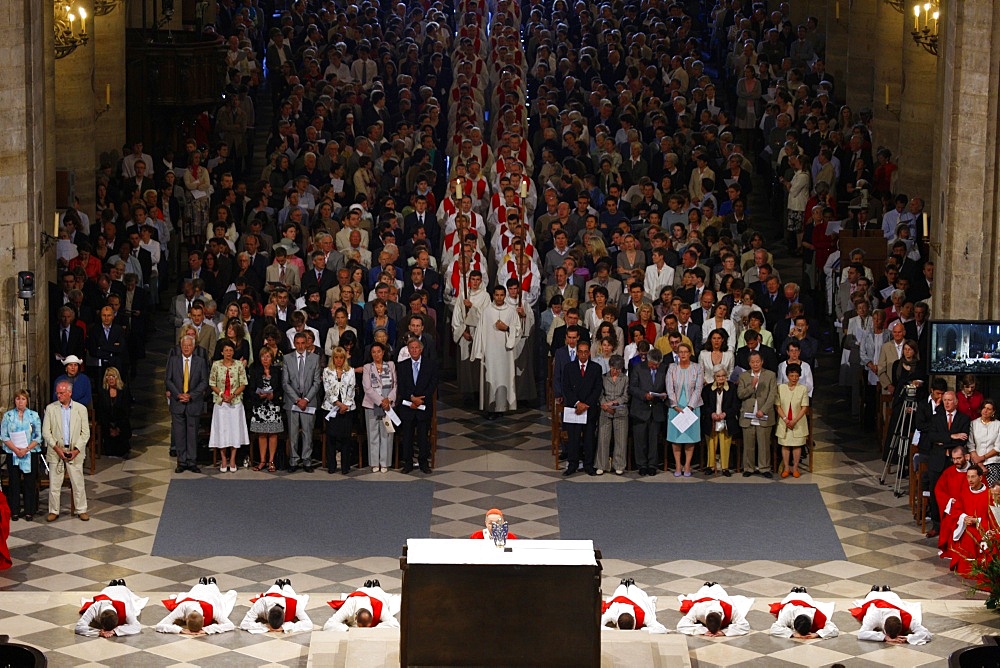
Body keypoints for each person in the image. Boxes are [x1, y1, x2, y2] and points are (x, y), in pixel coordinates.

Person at [470, 284, 521, 419]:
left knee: (504, 378)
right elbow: (480, 331)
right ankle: (491, 408)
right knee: (490, 377)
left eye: (501, 295)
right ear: (493, 295)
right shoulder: (486, 311)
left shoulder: (511, 311)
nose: (499, 298)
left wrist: (507, 328)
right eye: (497, 295)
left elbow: (518, 330)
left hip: (505, 352)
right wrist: (480, 350)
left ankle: (501, 407)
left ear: (505, 296)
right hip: (490, 352)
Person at [926, 391, 972, 538]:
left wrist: (943, 441)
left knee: (954, 495)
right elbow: (931, 437)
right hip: (937, 460)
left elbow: (962, 440)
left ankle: (952, 524)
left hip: (955, 463)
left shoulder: (964, 419)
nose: (946, 403)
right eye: (944, 400)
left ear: (956, 402)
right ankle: (937, 525)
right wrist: (952, 436)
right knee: (936, 493)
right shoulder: (936, 418)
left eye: (950, 400)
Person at [42, 380, 91, 522]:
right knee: (55, 483)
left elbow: (85, 433)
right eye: (57, 393)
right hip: (56, 450)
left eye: (62, 393)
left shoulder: (81, 409)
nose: (59, 395)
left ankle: (81, 509)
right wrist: (56, 448)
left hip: (74, 450)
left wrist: (76, 450)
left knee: (78, 482)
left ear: (69, 393)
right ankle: (53, 510)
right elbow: (46, 432)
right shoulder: (51, 409)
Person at [165, 335, 208, 473]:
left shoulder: (200, 362)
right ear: (181, 346)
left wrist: (191, 395)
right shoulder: (173, 360)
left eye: (189, 345)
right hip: (178, 403)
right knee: (179, 434)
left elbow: (204, 382)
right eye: (184, 345)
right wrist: (178, 395)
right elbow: (168, 380)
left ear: (193, 347)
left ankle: (192, 461)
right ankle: (181, 462)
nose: (187, 348)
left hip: (193, 403)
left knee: (192, 433)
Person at [562, 340, 604, 477]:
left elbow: (597, 388)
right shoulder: (569, 367)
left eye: (586, 352)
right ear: (577, 352)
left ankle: (588, 465)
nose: (583, 354)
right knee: (573, 439)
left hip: (589, 409)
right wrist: (577, 403)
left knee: (589, 438)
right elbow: (566, 388)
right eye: (581, 352)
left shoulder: (596, 368)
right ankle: (572, 464)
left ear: (589, 352)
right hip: (574, 409)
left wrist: (586, 404)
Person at [282, 332, 323, 472]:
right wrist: (297, 399)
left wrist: (305, 399)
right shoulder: (287, 358)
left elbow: (317, 382)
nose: (300, 346)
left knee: (307, 432)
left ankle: (307, 460)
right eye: (297, 343)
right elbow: (285, 383)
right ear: (294, 343)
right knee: (293, 433)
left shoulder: (315, 358)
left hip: (309, 402)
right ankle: (293, 461)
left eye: (302, 343)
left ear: (307, 344)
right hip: (292, 402)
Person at [396, 338, 437, 474]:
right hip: (408, 406)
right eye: (411, 348)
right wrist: (412, 399)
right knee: (407, 436)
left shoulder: (430, 365)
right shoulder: (402, 366)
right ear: (408, 350)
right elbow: (401, 387)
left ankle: (423, 463)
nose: (414, 350)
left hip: (423, 406)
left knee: (422, 437)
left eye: (416, 348)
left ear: (421, 349)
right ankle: (407, 463)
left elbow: (432, 384)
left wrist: (420, 400)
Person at [208, 340, 249, 473]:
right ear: (221, 352)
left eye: (231, 350)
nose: (228, 353)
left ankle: (232, 459)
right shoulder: (216, 365)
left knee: (234, 431)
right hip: (220, 402)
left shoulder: (238, 365)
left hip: (235, 402)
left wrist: (233, 395)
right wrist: (221, 394)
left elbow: (243, 383)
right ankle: (223, 459)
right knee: (222, 431)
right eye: (226, 350)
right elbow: (212, 383)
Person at [1, 389, 42, 522]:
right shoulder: (8, 416)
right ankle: (15, 511)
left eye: (23, 399)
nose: (20, 401)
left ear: (27, 401)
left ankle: (30, 511)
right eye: (18, 399)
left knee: (29, 483)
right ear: (15, 401)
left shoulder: (34, 416)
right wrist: (16, 449)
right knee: (14, 483)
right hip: (13, 453)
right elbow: (4, 436)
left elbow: (38, 437)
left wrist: (26, 449)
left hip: (30, 453)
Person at [666, 342, 704, 477]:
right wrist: (674, 405)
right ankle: (677, 465)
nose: (682, 354)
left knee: (689, 438)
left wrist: (690, 406)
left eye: (685, 352)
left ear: (690, 353)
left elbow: (698, 388)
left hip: (692, 408)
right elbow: (669, 387)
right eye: (680, 352)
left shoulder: (697, 368)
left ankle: (687, 465)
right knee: (676, 438)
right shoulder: (672, 367)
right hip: (675, 408)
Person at [738, 351, 777, 478]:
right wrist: (752, 386)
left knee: (764, 444)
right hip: (748, 415)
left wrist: (763, 410)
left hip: (763, 415)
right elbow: (740, 394)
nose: (755, 364)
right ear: (749, 363)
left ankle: (764, 468)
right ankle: (748, 467)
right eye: (753, 362)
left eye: (757, 362)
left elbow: (772, 395)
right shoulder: (744, 376)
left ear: (762, 362)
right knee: (748, 444)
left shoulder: (770, 375)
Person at [629, 348, 667, 476]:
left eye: (657, 365)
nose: (655, 367)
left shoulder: (664, 369)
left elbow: (667, 386)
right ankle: (641, 465)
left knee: (654, 440)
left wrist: (663, 395)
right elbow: (632, 388)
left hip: (656, 409)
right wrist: (644, 395)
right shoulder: (638, 368)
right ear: (648, 360)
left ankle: (652, 465)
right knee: (640, 439)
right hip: (640, 409)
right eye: (653, 364)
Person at [155, 577, 238, 635]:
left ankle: (211, 584)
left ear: (186, 619)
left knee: (212, 589)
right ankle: (204, 583)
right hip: (199, 596)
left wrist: (206, 630)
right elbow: (229, 625)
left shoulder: (211, 608)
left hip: (209, 597)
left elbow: (160, 625)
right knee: (199, 588)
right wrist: (179, 630)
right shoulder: (183, 606)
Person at [850, 587, 931, 644]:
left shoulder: (908, 619)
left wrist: (908, 638)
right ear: (884, 625)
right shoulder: (874, 615)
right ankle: (874, 590)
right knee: (872, 594)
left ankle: (887, 590)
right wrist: (883, 637)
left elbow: (926, 633)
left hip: (893, 599)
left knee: (892, 595)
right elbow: (861, 634)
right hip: (875, 600)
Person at [361, 341, 397, 473]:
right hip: (372, 405)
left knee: (386, 433)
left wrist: (389, 399)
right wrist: (381, 401)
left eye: (379, 352)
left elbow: (396, 384)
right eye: (373, 352)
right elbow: (367, 388)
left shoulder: (391, 365)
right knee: (373, 434)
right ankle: (374, 462)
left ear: (383, 352)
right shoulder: (367, 367)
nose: (376, 354)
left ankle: (385, 462)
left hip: (388, 405)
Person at [247, 347, 284, 472]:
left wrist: (273, 395)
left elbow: (281, 388)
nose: (265, 359)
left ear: (271, 358)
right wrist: (259, 395)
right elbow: (251, 389)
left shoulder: (277, 371)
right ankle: (262, 461)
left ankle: (271, 461)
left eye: (268, 356)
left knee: (273, 433)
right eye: (263, 356)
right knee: (262, 434)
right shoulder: (255, 371)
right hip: (260, 407)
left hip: (273, 406)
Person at [322, 346, 357, 474]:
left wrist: (345, 405)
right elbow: (328, 390)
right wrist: (338, 404)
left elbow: (351, 389)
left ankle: (345, 467)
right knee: (331, 437)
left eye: (341, 357)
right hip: (331, 408)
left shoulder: (351, 371)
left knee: (345, 438)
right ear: (333, 358)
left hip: (347, 409)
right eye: (336, 357)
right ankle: (331, 466)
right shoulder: (327, 371)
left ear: (344, 359)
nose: (338, 360)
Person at [702, 366, 739, 476]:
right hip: (712, 420)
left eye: (723, 376)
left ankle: (725, 467)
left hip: (726, 420)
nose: (721, 378)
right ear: (714, 377)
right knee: (711, 443)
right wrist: (712, 414)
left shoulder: (732, 388)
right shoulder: (707, 389)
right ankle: (711, 466)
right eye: (718, 376)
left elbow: (736, 405)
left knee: (725, 444)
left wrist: (725, 414)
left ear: (726, 376)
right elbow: (704, 405)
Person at [76, 580, 147, 637]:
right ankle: (110, 586)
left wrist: (115, 631)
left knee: (123, 590)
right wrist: (99, 633)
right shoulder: (95, 607)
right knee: (108, 590)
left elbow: (137, 626)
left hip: (121, 595)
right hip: (106, 595)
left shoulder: (125, 608)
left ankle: (122, 586)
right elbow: (79, 627)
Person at [676, 583, 753, 636]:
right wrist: (703, 630)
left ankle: (715, 585)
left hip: (722, 601)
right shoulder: (698, 609)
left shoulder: (731, 610)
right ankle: (706, 586)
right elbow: (681, 626)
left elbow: (745, 626)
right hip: (705, 600)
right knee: (703, 592)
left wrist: (724, 631)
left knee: (720, 593)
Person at [596, 355, 629, 475]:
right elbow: (599, 394)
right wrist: (605, 404)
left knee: (620, 439)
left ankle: (619, 465)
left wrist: (614, 403)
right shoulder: (603, 378)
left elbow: (625, 396)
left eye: (618, 369)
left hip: (620, 411)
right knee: (603, 439)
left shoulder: (625, 379)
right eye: (614, 368)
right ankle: (602, 465)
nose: (615, 371)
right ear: (610, 366)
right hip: (605, 411)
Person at [240, 579, 314, 633]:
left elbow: (308, 624)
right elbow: (244, 624)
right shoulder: (261, 604)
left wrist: (284, 627)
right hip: (271, 596)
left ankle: (286, 584)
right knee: (272, 591)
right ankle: (277, 584)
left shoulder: (295, 605)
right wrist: (266, 626)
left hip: (288, 598)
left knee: (289, 592)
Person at [776, 364, 810, 478]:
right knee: (785, 445)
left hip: (798, 422)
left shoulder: (803, 388)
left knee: (797, 445)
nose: (794, 378)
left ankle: (795, 468)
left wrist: (794, 421)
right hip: (784, 421)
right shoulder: (781, 388)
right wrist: (785, 419)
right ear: (787, 376)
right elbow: (778, 406)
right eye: (792, 375)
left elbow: (804, 407)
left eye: (796, 376)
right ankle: (786, 467)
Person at [324, 581, 401, 631]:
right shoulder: (350, 605)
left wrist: (374, 629)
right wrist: (347, 629)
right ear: (356, 617)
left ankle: (377, 587)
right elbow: (329, 625)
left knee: (379, 592)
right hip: (361, 594)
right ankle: (366, 587)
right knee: (363, 590)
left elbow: (395, 624)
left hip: (377, 596)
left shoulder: (380, 607)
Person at [768, 587, 839, 639]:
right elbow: (773, 629)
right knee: (790, 596)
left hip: (807, 602)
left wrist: (817, 634)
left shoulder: (816, 615)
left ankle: (803, 592)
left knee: (806, 597)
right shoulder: (788, 613)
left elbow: (834, 629)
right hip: (791, 602)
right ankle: (793, 591)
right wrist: (792, 634)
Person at [601, 580, 668, 633]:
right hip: (620, 600)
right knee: (620, 591)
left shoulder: (643, 615)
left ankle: (631, 585)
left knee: (634, 593)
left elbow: (662, 629)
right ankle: (623, 585)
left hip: (636, 601)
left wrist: (643, 630)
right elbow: (660, 629)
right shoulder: (613, 611)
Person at [95, 367, 132, 458]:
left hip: (121, 422)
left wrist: (117, 428)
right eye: (108, 376)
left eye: (113, 376)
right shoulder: (102, 392)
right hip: (107, 424)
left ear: (117, 378)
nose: (110, 378)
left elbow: (126, 410)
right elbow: (101, 411)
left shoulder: (124, 390)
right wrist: (110, 428)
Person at [970, 400, 1000, 486]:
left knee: (992, 490)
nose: (985, 411)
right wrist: (979, 462)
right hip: (976, 462)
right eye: (984, 408)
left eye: (989, 409)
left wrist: (983, 457)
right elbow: (970, 445)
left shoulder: (998, 425)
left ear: (993, 412)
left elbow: (998, 447)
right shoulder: (973, 423)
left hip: (993, 461)